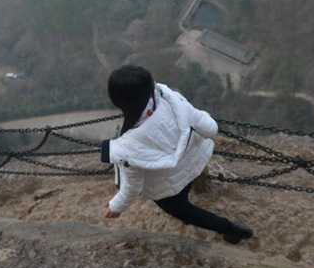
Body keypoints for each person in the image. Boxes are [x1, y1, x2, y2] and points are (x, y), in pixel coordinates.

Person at [100, 65, 253, 244]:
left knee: (185, 212)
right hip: (196, 161)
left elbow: (132, 188)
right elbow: (209, 128)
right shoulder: (171, 99)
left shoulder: (128, 147)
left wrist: (115, 207)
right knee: (187, 193)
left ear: (118, 99)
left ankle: (230, 229)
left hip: (169, 189)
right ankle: (228, 227)